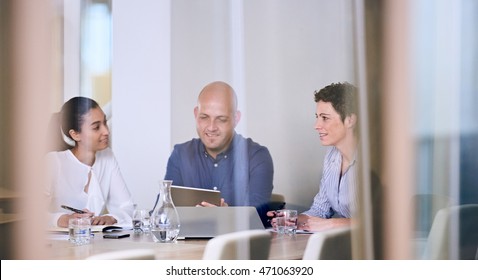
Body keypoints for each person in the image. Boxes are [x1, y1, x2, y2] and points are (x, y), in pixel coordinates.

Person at [162, 81, 274, 223]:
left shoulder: (257, 156)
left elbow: (259, 216)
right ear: (196, 114)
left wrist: (227, 216)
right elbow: (164, 211)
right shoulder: (180, 154)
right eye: (204, 117)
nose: (211, 127)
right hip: (187, 243)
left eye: (221, 119)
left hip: (235, 243)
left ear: (236, 119)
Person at [268, 82, 358, 231]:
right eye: (317, 117)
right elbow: (320, 210)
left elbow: (379, 221)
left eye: (325, 118)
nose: (316, 125)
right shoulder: (331, 158)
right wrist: (292, 219)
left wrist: (330, 224)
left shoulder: (374, 160)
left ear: (350, 119)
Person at [45, 97, 134, 227]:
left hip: (94, 242)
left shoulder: (107, 157)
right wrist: (63, 219)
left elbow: (126, 206)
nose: (106, 131)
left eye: (105, 123)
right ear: (75, 135)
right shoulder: (53, 162)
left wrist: (111, 218)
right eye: (96, 127)